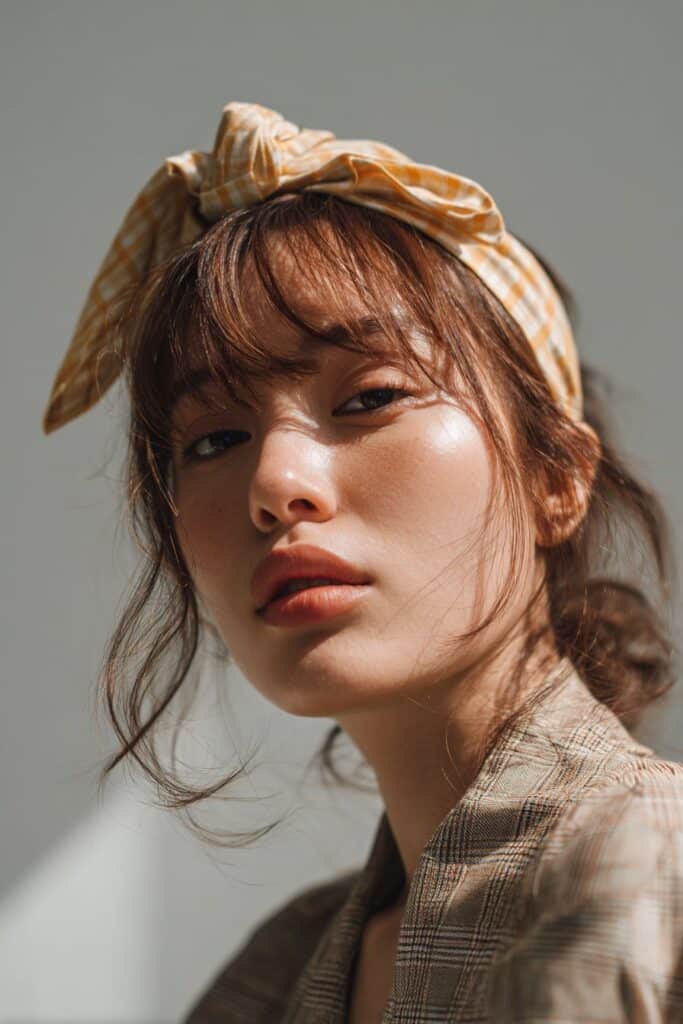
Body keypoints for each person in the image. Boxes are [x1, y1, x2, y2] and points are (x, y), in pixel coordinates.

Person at [42, 101, 683, 1022]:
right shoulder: (272, 973)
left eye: (370, 397)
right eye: (214, 439)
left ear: (554, 479)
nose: (275, 483)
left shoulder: (650, 871)